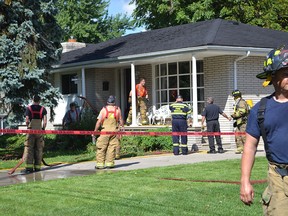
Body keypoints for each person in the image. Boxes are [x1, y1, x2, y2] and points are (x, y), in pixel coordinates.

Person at [240, 46, 288, 215]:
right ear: (273, 77)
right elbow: (250, 147)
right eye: (286, 73)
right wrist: (245, 180)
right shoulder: (260, 110)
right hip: (279, 178)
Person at [93, 95, 124, 169]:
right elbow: (121, 120)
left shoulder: (103, 110)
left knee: (101, 148)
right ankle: (109, 164)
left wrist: (95, 131)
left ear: (107, 102)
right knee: (112, 148)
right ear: (114, 102)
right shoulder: (117, 109)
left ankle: (100, 164)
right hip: (114, 132)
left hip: (104, 132)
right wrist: (122, 128)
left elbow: (99, 122)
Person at [23, 95, 47, 174]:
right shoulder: (43, 109)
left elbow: (27, 120)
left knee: (29, 149)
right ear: (39, 100)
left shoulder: (28, 108)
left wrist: (28, 127)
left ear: (32, 100)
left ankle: (29, 168)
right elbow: (45, 121)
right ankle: (37, 167)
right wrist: (43, 129)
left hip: (31, 131)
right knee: (39, 149)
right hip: (39, 131)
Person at [231, 90, 249, 154]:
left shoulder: (241, 102)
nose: (233, 98)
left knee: (244, 136)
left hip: (243, 122)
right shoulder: (238, 102)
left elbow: (242, 111)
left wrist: (234, 115)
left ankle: (247, 149)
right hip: (239, 122)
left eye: (234, 97)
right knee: (237, 135)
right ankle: (240, 148)